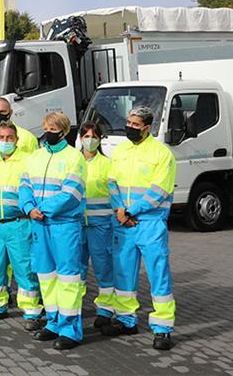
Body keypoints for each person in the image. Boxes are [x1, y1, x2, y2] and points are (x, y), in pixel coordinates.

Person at [105, 106, 177, 350]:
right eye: (128, 122)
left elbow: (160, 190)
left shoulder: (162, 154)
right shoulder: (121, 150)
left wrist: (131, 211)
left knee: (158, 274)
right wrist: (119, 210)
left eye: (135, 125)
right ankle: (126, 320)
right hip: (123, 221)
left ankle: (163, 328)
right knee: (124, 272)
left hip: (150, 222)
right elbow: (111, 182)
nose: (130, 128)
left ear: (147, 127)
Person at [20, 111, 87, 350]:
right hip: (39, 224)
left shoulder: (74, 158)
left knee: (68, 277)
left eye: (53, 128)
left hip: (64, 225)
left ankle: (71, 329)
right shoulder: (35, 156)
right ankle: (53, 322)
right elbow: (24, 185)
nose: (48, 131)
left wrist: (41, 209)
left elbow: (71, 194)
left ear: (64, 131)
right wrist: (29, 208)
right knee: (46, 276)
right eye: (46, 126)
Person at [0, 121, 43, 328]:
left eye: (9, 138)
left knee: (24, 267)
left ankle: (31, 310)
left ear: (17, 140)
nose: (5, 141)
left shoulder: (28, 160)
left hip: (19, 224)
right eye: (1, 138)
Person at [78, 122, 116, 330]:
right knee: (77, 268)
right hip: (76, 225)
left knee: (103, 267)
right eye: (85, 135)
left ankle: (105, 308)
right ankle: (74, 305)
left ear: (100, 139)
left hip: (100, 226)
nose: (89, 140)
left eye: (93, 136)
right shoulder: (73, 161)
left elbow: (115, 195)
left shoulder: (107, 164)